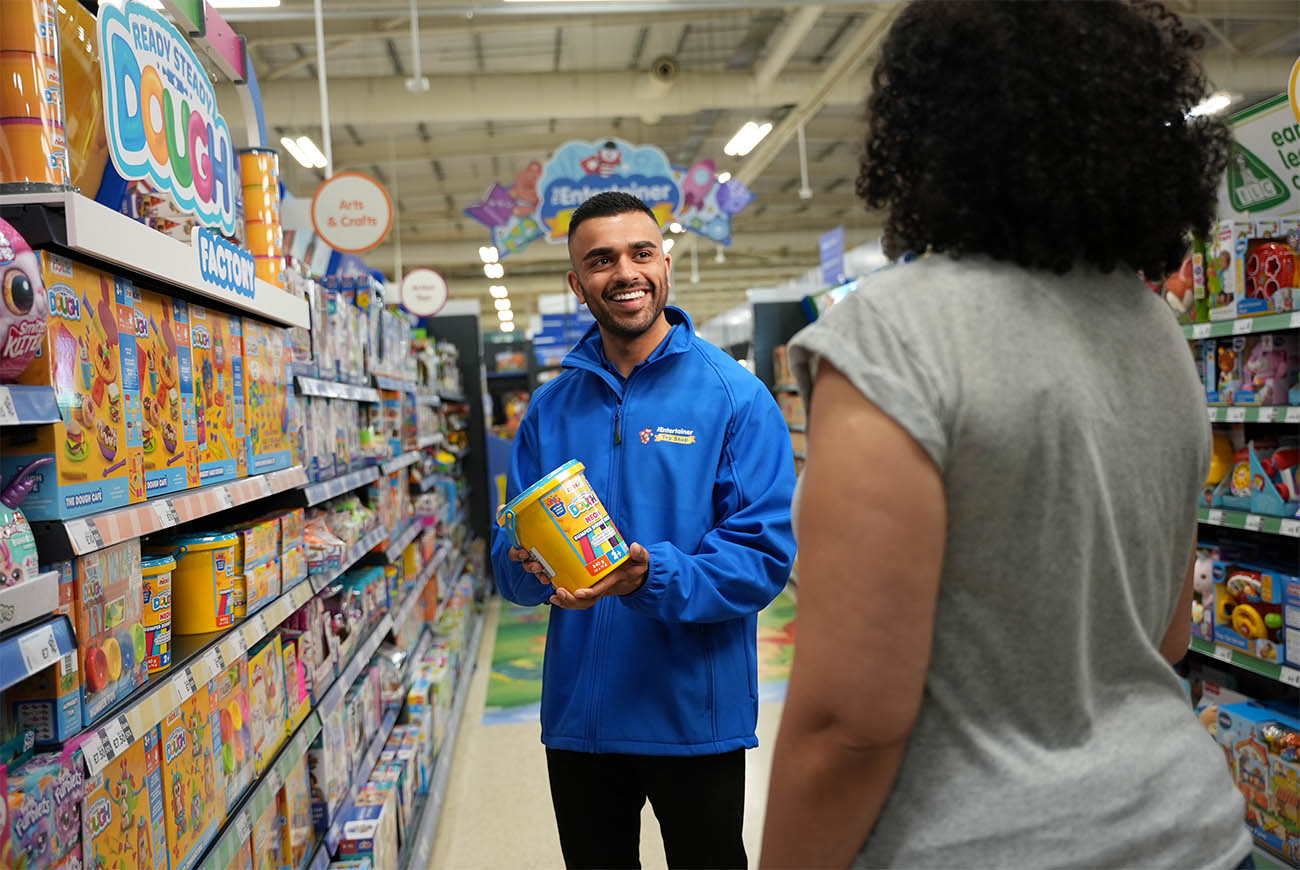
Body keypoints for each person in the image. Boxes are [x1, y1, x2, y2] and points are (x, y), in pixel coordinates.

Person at [761, 2, 1249, 868]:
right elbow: (1168, 640)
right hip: (1194, 832)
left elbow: (849, 727)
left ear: (926, 126)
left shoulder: (895, 337)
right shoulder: (1156, 331)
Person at [491, 191, 796, 869]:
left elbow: (763, 556)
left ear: (665, 262)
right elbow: (506, 560)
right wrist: (527, 567)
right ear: (577, 283)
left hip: (695, 717)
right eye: (600, 260)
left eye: (641, 252)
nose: (624, 271)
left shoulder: (735, 397)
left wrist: (652, 576)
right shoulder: (549, 408)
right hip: (582, 723)